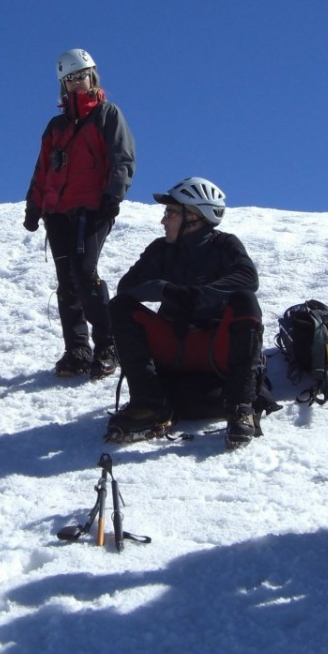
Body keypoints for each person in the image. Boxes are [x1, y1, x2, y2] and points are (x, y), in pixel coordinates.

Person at [104, 177, 265, 450]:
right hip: (174, 345)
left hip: (215, 349)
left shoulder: (225, 245)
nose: (163, 221)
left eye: (171, 213)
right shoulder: (161, 250)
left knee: (246, 302)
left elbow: (247, 279)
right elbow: (127, 287)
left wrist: (200, 294)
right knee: (120, 307)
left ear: (194, 217)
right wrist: (167, 291)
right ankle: (148, 404)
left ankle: (240, 407)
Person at [24, 48, 135, 379]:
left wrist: (113, 195)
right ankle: (77, 350)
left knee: (84, 273)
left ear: (92, 75)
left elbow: (122, 157)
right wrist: (34, 207)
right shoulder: (56, 126)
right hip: (57, 213)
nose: (76, 83)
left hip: (94, 207)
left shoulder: (107, 114)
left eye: (81, 75)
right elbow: (42, 169)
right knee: (66, 282)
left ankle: (108, 345)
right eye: (69, 78)